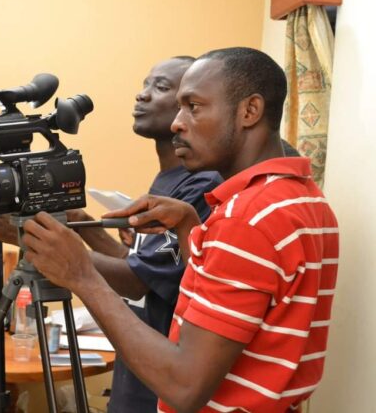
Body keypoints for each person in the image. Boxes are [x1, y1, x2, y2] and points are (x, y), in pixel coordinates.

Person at [19, 47, 339, 412]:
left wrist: (82, 276)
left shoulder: (246, 219)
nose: (177, 123)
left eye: (194, 106)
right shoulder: (306, 200)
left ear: (249, 111)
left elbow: (185, 387)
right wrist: (189, 225)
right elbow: (241, 305)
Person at [0, 56, 222, 413]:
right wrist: (78, 221)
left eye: (161, 87)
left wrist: (28, 237)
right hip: (136, 374)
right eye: (145, 84)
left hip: (159, 384)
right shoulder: (170, 179)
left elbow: (136, 282)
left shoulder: (201, 185)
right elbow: (142, 266)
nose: (143, 95)